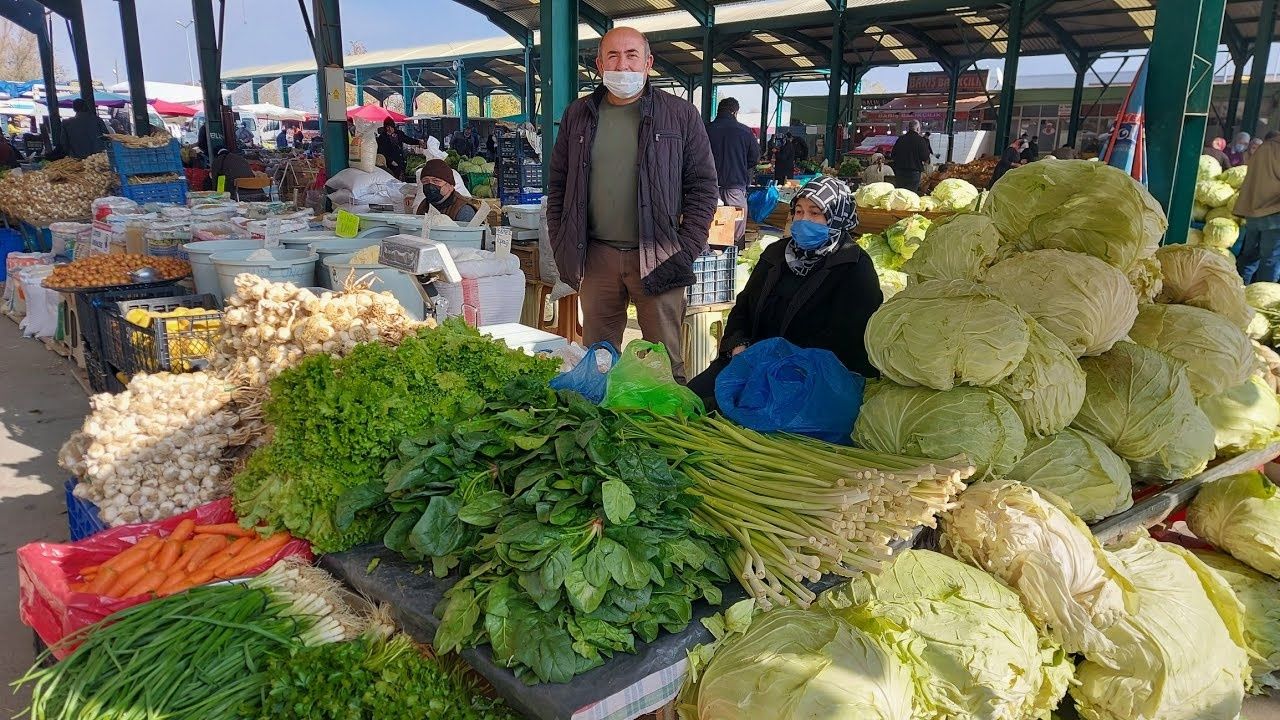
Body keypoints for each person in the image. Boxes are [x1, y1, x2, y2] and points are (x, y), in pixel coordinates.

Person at [547, 26, 718, 384]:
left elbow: (703, 186)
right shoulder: (578, 114)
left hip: (659, 256)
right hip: (596, 257)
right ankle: (602, 418)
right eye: (612, 55)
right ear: (599, 65)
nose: (622, 64)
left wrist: (686, 248)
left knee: (663, 365)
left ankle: (667, 419)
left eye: (631, 55)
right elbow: (559, 184)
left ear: (648, 62)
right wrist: (562, 241)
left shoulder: (680, 114)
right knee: (597, 361)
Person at [686, 176, 882, 408]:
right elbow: (744, 306)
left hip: (810, 379)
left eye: (815, 213)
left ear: (837, 217)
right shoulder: (776, 254)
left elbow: (849, 339)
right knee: (689, 400)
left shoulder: (853, 266)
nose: (804, 220)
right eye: (798, 211)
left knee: (722, 410)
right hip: (751, 364)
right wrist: (738, 344)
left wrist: (783, 365)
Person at [706, 97, 759, 247]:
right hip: (734, 187)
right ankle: (733, 252)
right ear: (735, 112)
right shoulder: (745, 131)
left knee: (709, 223)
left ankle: (709, 252)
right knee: (737, 221)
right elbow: (754, 158)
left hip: (708, 186)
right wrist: (740, 166)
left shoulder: (705, 129)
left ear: (718, 111)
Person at [1234, 132, 1280, 283]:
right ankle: (1263, 295)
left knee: (1248, 257)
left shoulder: (1262, 149)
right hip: (1274, 215)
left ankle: (1239, 289)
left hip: (1253, 212)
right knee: (1270, 261)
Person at [416, 158, 477, 222]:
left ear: (450, 186)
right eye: (425, 181)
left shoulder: (463, 210)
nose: (430, 185)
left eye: (436, 181)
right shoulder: (424, 205)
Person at [889, 120, 931, 192]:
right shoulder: (920, 140)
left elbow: (893, 155)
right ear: (917, 128)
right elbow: (925, 157)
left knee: (900, 193)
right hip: (914, 173)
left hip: (900, 172)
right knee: (911, 195)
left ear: (909, 128)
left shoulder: (900, 139)